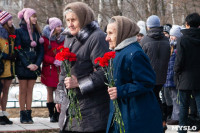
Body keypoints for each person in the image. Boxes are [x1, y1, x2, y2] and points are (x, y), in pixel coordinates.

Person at [55, 2, 110, 133]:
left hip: (91, 112)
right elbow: (64, 70)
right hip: (70, 110)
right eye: (67, 20)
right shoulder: (69, 37)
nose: (70, 24)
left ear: (83, 18)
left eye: (73, 20)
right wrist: (60, 97)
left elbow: (105, 72)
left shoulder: (97, 37)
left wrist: (79, 83)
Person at [105, 16, 162, 133]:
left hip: (135, 115)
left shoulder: (134, 53)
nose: (107, 38)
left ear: (122, 33)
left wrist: (121, 91)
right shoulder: (119, 51)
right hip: (123, 112)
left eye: (110, 33)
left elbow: (147, 82)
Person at [140, 15, 170, 131]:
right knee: (157, 97)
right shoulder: (166, 39)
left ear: (148, 26)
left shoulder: (145, 40)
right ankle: (162, 121)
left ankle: (152, 122)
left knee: (150, 99)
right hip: (162, 76)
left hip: (148, 76)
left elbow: (140, 59)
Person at [15, 8, 44, 124]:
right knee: (23, 90)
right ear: (27, 18)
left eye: (36, 16)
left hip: (34, 65)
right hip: (23, 65)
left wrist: (37, 64)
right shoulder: (19, 31)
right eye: (33, 16)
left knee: (30, 90)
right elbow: (18, 49)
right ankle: (22, 114)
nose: (35, 19)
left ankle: (29, 113)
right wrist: (27, 64)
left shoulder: (37, 32)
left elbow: (41, 50)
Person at [174, 13, 200, 133]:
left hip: (185, 77)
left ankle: (182, 130)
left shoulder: (182, 39)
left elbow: (179, 60)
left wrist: (176, 72)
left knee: (184, 107)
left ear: (187, 24)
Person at [41, 17, 65, 122]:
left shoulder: (63, 37)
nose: (60, 28)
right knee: (50, 91)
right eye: (58, 26)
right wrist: (53, 60)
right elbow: (43, 54)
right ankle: (51, 114)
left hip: (60, 68)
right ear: (53, 28)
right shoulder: (46, 39)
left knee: (59, 92)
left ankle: (57, 113)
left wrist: (62, 58)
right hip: (50, 68)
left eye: (60, 26)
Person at [163, 25, 182, 125]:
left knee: (176, 97)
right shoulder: (170, 46)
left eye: (173, 36)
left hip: (174, 77)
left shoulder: (178, 48)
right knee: (172, 97)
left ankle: (177, 116)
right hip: (169, 76)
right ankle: (175, 115)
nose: (171, 37)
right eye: (170, 35)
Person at [0, 10, 15, 125]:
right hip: (1, 67)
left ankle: (3, 114)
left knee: (6, 92)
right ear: (4, 21)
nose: (12, 21)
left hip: (9, 68)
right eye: (9, 19)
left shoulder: (12, 34)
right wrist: (6, 56)